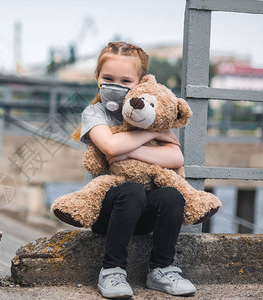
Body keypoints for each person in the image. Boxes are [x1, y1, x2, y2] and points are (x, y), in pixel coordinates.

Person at [72, 42, 196, 299]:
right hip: (109, 211)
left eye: (125, 80)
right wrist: (151, 134)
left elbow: (175, 156)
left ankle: (161, 269)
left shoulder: (151, 112)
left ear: (141, 82)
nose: (115, 85)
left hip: (144, 213)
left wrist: (129, 150)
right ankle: (112, 270)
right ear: (98, 78)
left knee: (172, 195)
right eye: (108, 78)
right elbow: (109, 145)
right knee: (131, 190)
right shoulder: (95, 114)